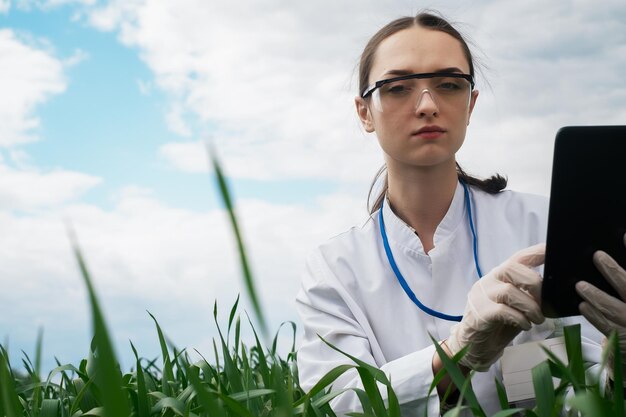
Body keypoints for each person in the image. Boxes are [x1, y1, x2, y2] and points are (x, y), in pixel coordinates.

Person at [295, 11, 622, 416]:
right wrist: (457, 352)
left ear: (471, 103)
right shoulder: (334, 269)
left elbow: (585, 396)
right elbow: (340, 404)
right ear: (365, 112)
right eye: (397, 88)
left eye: (449, 84)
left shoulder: (544, 226)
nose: (428, 105)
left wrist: (618, 362)